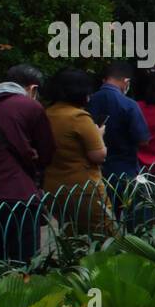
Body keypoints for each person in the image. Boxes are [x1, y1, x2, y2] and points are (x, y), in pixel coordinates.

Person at [0, 63, 54, 263]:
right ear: (33, 89)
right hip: (20, 199)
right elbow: (47, 153)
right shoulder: (31, 107)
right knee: (24, 263)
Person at [43, 68, 113, 235]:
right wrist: (99, 135)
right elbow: (98, 155)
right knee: (104, 233)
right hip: (83, 189)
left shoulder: (47, 113)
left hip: (54, 188)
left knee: (71, 235)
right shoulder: (79, 117)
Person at [86, 61, 149, 199]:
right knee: (130, 215)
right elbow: (143, 140)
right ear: (126, 81)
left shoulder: (89, 102)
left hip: (95, 172)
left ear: (104, 79)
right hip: (125, 170)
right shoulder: (129, 104)